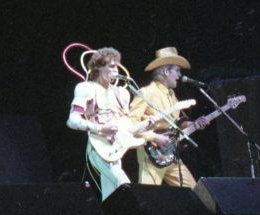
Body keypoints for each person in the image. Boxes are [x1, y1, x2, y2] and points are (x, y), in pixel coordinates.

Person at [67, 47, 153, 200]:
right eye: (111, 66)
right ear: (98, 67)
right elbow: (72, 120)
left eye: (117, 66)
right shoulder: (86, 88)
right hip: (98, 146)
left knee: (110, 195)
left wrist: (145, 125)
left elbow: (126, 127)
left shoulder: (122, 93)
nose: (116, 70)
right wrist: (100, 128)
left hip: (115, 148)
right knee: (126, 187)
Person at [128, 47, 209, 188]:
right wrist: (154, 137)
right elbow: (130, 123)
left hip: (171, 153)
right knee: (149, 197)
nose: (179, 75)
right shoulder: (146, 92)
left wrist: (194, 123)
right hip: (151, 154)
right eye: (177, 71)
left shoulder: (171, 94)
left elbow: (176, 122)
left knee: (196, 192)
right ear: (166, 72)